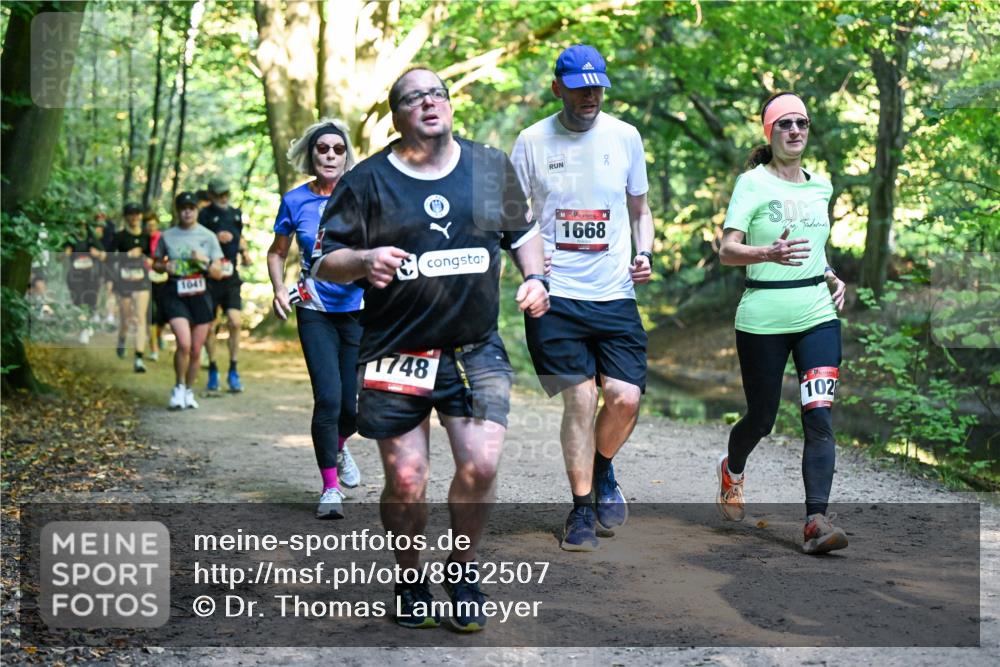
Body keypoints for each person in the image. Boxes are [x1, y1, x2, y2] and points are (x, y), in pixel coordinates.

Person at [312, 67, 548, 631]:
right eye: (412, 97)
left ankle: (462, 570)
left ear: (449, 104)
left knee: (482, 463)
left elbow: (523, 235)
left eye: (437, 93)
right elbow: (324, 261)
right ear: (396, 115)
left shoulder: (488, 167)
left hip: (474, 347)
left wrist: (536, 278)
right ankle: (411, 576)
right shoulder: (367, 181)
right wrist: (363, 261)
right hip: (396, 348)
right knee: (409, 478)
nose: (428, 102)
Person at [511, 44, 653, 552]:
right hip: (556, 297)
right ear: (558, 88)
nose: (590, 95)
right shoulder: (530, 141)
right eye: (579, 86)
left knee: (625, 398)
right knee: (581, 397)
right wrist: (528, 268)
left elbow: (640, 209)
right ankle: (582, 509)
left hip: (614, 294)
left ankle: (603, 465)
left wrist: (646, 251)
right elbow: (511, 217)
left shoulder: (625, 137)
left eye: (597, 86)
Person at [716, 91, 848, 555]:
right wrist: (766, 253)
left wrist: (829, 273)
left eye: (802, 124)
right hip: (762, 317)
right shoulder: (751, 184)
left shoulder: (822, 186)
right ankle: (732, 470)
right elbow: (727, 250)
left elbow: (815, 245)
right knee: (763, 418)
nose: (795, 131)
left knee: (819, 417)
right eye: (785, 124)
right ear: (770, 132)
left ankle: (815, 521)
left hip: (817, 316)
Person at [267, 119, 365, 520]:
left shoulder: (361, 196)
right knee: (328, 397)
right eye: (322, 149)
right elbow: (277, 252)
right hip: (315, 309)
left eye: (337, 150)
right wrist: (277, 288)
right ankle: (330, 488)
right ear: (312, 155)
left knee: (353, 408)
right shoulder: (295, 201)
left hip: (360, 308)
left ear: (346, 157)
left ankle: (339, 446)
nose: (329, 155)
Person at [153, 192, 225, 410]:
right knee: (183, 343)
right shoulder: (167, 236)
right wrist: (164, 266)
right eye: (183, 208)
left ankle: (189, 391)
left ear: (197, 210)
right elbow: (156, 263)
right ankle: (178, 387)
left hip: (201, 294)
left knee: (195, 349)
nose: (187, 211)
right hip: (175, 291)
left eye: (191, 208)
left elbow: (218, 273)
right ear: (178, 210)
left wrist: (203, 260)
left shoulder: (208, 236)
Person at [199, 179, 251, 392]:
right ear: (210, 195)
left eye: (226, 192)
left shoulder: (236, 214)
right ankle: (212, 368)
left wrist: (245, 252)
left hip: (231, 277)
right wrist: (214, 237)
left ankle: (233, 369)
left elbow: (240, 238)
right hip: (209, 278)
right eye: (219, 194)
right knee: (210, 325)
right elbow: (195, 240)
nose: (223, 197)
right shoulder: (203, 215)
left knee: (235, 322)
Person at [113, 202, 152, 371]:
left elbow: (151, 257)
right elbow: (107, 258)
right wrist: (127, 256)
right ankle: (122, 338)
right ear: (126, 217)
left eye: (137, 213)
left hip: (142, 281)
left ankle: (138, 358)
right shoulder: (119, 237)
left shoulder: (146, 237)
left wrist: (148, 260)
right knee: (126, 319)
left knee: (140, 317)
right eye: (131, 214)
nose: (135, 217)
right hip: (124, 281)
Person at [63, 216, 103, 344]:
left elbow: (104, 255)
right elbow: (60, 255)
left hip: (91, 276)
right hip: (75, 276)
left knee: (91, 301)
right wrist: (64, 254)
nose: (81, 227)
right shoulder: (71, 239)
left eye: (83, 225)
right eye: (78, 225)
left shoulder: (93, 239)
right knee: (78, 301)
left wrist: (97, 254)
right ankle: (83, 329)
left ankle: (88, 323)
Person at [145, 211, 168, 362]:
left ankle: (159, 335)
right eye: (148, 226)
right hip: (146, 281)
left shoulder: (164, 238)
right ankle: (153, 347)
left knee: (163, 314)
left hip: (164, 280)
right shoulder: (142, 240)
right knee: (151, 314)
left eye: (153, 225)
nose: (151, 228)